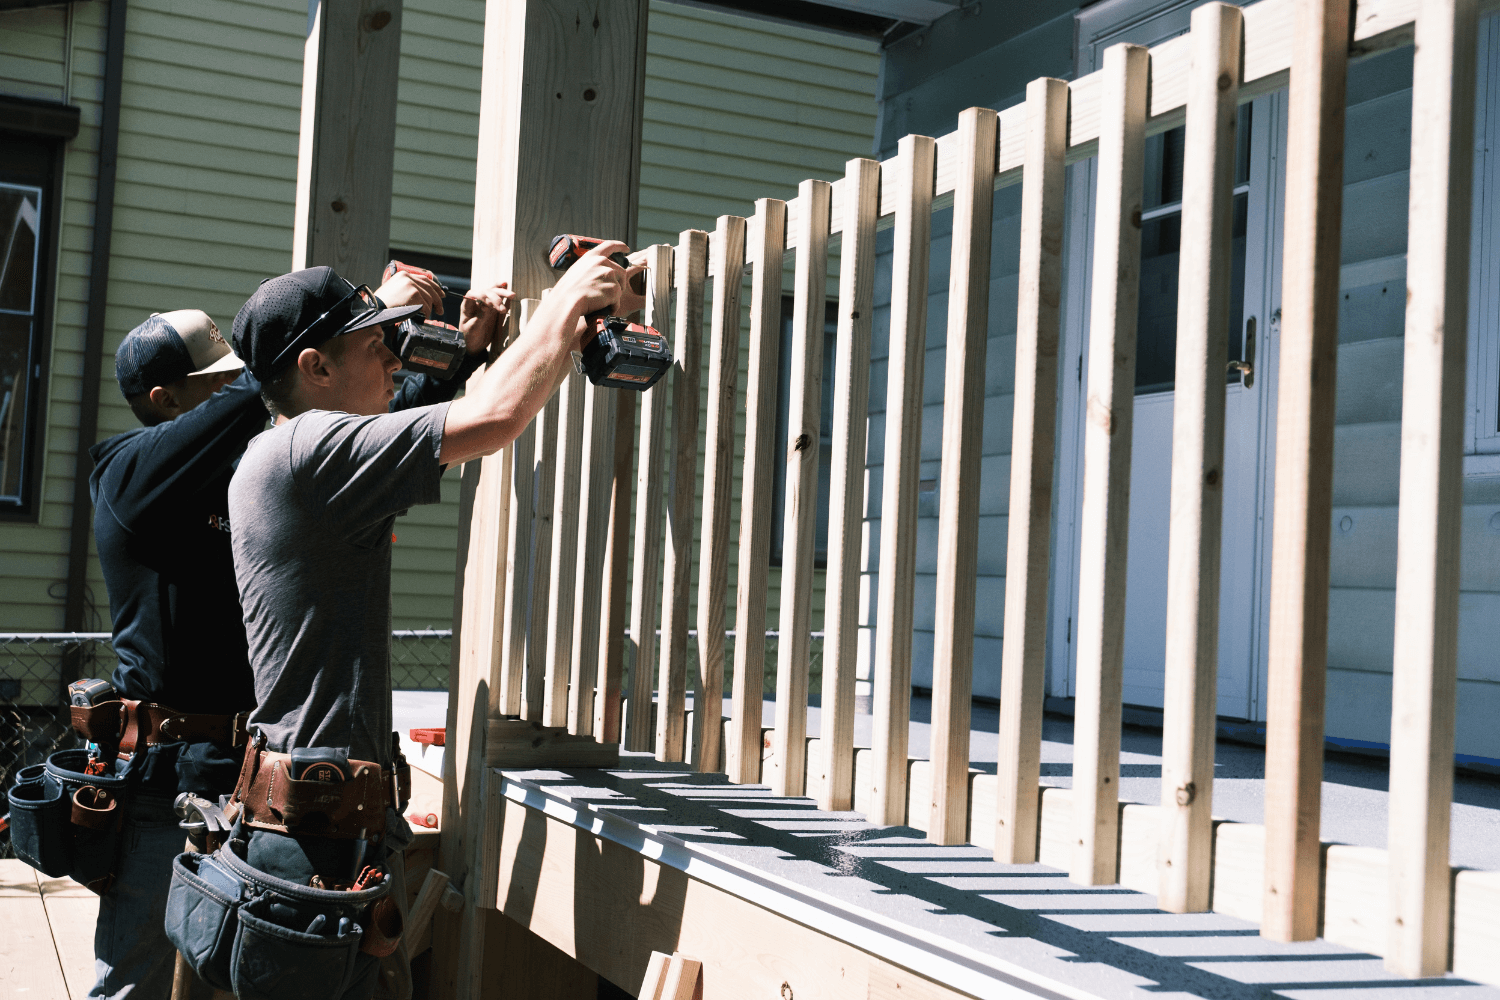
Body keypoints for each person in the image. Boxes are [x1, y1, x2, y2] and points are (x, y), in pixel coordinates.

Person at [222, 244, 638, 1000]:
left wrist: (505, 348)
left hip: (316, 822)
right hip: (318, 838)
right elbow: (494, 417)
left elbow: (442, 415)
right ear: (315, 368)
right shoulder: (310, 449)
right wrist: (566, 301)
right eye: (375, 343)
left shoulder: (286, 453)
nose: (395, 356)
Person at [81, 263, 481, 1000]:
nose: (241, 398)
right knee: (136, 983)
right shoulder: (130, 474)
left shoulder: (273, 472)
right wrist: (303, 352)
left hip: (258, 783)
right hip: (167, 784)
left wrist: (452, 354)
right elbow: (270, 397)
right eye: (219, 384)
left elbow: (375, 428)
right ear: (166, 400)